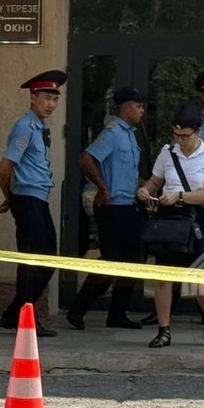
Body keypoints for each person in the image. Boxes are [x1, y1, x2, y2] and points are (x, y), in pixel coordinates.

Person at [136, 101, 204, 348]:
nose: (181, 140)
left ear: (198, 132)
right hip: (168, 218)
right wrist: (146, 190)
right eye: (177, 135)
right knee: (164, 277)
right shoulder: (168, 153)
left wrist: (180, 196)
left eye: (185, 136)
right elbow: (155, 180)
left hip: (195, 218)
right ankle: (164, 330)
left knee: (197, 278)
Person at [65, 87, 148, 330]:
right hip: (112, 208)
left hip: (130, 206)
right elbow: (86, 158)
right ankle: (77, 310)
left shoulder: (130, 135)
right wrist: (102, 187)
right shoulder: (112, 133)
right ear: (126, 107)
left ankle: (118, 314)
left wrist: (148, 186)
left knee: (132, 262)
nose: (142, 111)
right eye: (138, 106)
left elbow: (126, 172)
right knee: (110, 261)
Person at [0, 69, 67, 338]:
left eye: (55, 99)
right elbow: (5, 167)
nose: (51, 104)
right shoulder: (25, 126)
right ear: (33, 97)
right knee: (33, 262)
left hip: (38, 199)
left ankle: (14, 313)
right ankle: (25, 319)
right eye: (46, 98)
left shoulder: (39, 126)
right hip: (27, 200)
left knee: (47, 260)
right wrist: (9, 197)